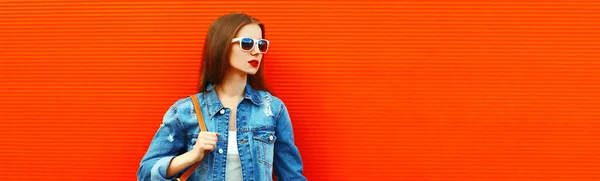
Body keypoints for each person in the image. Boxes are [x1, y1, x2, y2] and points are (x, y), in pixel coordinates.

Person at [137, 13, 307, 181]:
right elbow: (145, 173)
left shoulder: (272, 109)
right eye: (247, 44)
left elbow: (291, 176)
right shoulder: (185, 112)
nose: (256, 52)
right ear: (222, 46)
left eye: (261, 45)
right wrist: (192, 156)